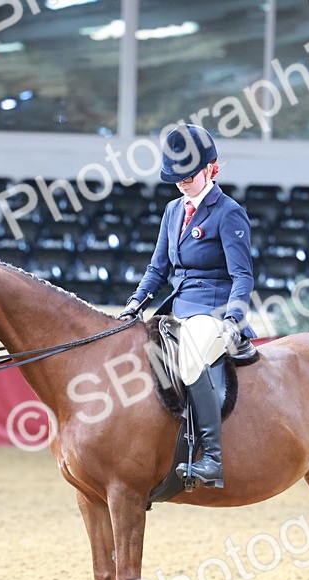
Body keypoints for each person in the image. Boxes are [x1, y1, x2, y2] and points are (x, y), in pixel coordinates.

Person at [117, 124, 256, 490]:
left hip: (214, 310)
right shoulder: (173, 210)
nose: (181, 182)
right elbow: (157, 269)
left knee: (191, 360)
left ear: (211, 168)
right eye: (175, 176)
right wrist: (135, 304)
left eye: (189, 175)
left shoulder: (228, 212)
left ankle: (212, 458)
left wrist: (234, 318)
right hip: (176, 308)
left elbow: (242, 275)